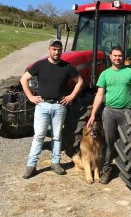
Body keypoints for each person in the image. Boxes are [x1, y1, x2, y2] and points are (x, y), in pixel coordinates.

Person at [21, 39, 84, 179]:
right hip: (42, 105)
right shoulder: (40, 65)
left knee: (56, 136)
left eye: (59, 50)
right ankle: (31, 166)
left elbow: (80, 81)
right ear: (49, 49)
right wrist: (30, 97)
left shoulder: (67, 66)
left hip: (59, 106)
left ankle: (56, 163)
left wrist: (71, 96)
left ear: (62, 51)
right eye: (54, 49)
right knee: (39, 136)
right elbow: (23, 79)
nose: (56, 52)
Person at [86, 46, 131, 184]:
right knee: (109, 141)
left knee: (129, 140)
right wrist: (93, 114)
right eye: (115, 55)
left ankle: (130, 169)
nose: (117, 58)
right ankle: (107, 169)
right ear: (110, 57)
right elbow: (99, 95)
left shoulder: (130, 72)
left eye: (120, 56)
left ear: (123, 57)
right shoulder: (105, 74)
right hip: (109, 111)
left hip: (127, 111)